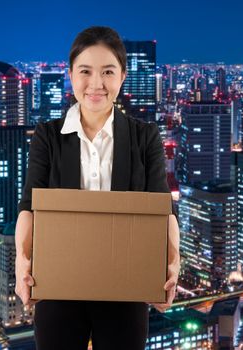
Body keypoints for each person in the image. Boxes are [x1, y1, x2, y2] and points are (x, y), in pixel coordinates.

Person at [14, 26, 180, 349]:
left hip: (126, 287)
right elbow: (29, 207)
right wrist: (23, 259)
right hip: (58, 286)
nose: (96, 84)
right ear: (70, 74)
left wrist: (173, 261)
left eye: (107, 72)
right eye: (85, 71)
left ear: (122, 76)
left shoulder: (144, 137)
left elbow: (164, 211)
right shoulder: (48, 136)